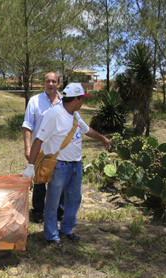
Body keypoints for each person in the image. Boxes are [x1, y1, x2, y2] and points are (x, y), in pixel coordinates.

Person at [22, 83, 112, 248]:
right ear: (76, 99)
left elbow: (87, 130)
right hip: (59, 166)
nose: (83, 102)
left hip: (76, 165)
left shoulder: (75, 115)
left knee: (74, 199)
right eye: (82, 99)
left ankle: (67, 229)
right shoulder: (54, 114)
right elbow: (38, 140)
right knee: (53, 201)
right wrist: (30, 165)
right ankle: (51, 235)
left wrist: (102, 138)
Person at [22, 72, 63, 223]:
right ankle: (38, 212)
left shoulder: (64, 102)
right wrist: (28, 149)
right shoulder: (34, 101)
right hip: (39, 149)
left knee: (58, 181)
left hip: (60, 150)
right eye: (48, 81)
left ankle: (59, 212)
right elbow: (27, 126)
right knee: (39, 182)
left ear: (58, 84)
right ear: (43, 83)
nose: (50, 84)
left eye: (54, 81)